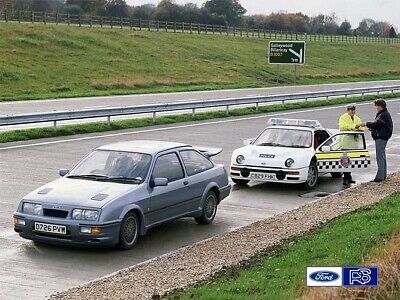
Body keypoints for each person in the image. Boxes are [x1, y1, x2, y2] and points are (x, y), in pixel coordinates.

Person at [360, 99, 393, 182]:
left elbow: (376, 124)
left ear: (380, 106)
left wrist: (366, 123)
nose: (376, 108)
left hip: (381, 137)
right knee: (382, 156)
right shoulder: (383, 114)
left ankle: (380, 177)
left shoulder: (383, 115)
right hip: (382, 136)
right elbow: (379, 126)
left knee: (380, 157)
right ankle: (383, 175)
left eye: (377, 106)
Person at [338, 104, 363, 185]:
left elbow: (362, 128)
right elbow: (343, 127)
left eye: (353, 110)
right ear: (347, 110)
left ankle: (349, 177)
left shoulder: (357, 118)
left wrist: (358, 129)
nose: (352, 111)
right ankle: (345, 178)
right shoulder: (343, 118)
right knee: (345, 161)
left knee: (351, 161)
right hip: (345, 142)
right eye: (351, 110)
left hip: (353, 143)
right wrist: (354, 126)